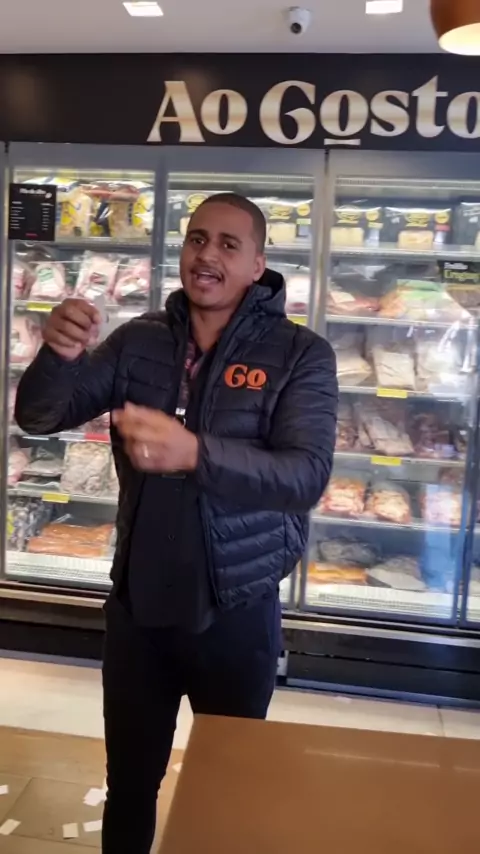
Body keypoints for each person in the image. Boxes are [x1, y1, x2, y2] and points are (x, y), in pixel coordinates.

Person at [15, 192, 338, 854]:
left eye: (227, 244)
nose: (206, 255)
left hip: (237, 612)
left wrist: (196, 454)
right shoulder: (138, 340)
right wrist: (57, 354)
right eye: (197, 239)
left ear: (257, 265)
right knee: (130, 787)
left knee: (227, 791)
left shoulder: (301, 354)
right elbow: (41, 417)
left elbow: (305, 476)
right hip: (140, 609)